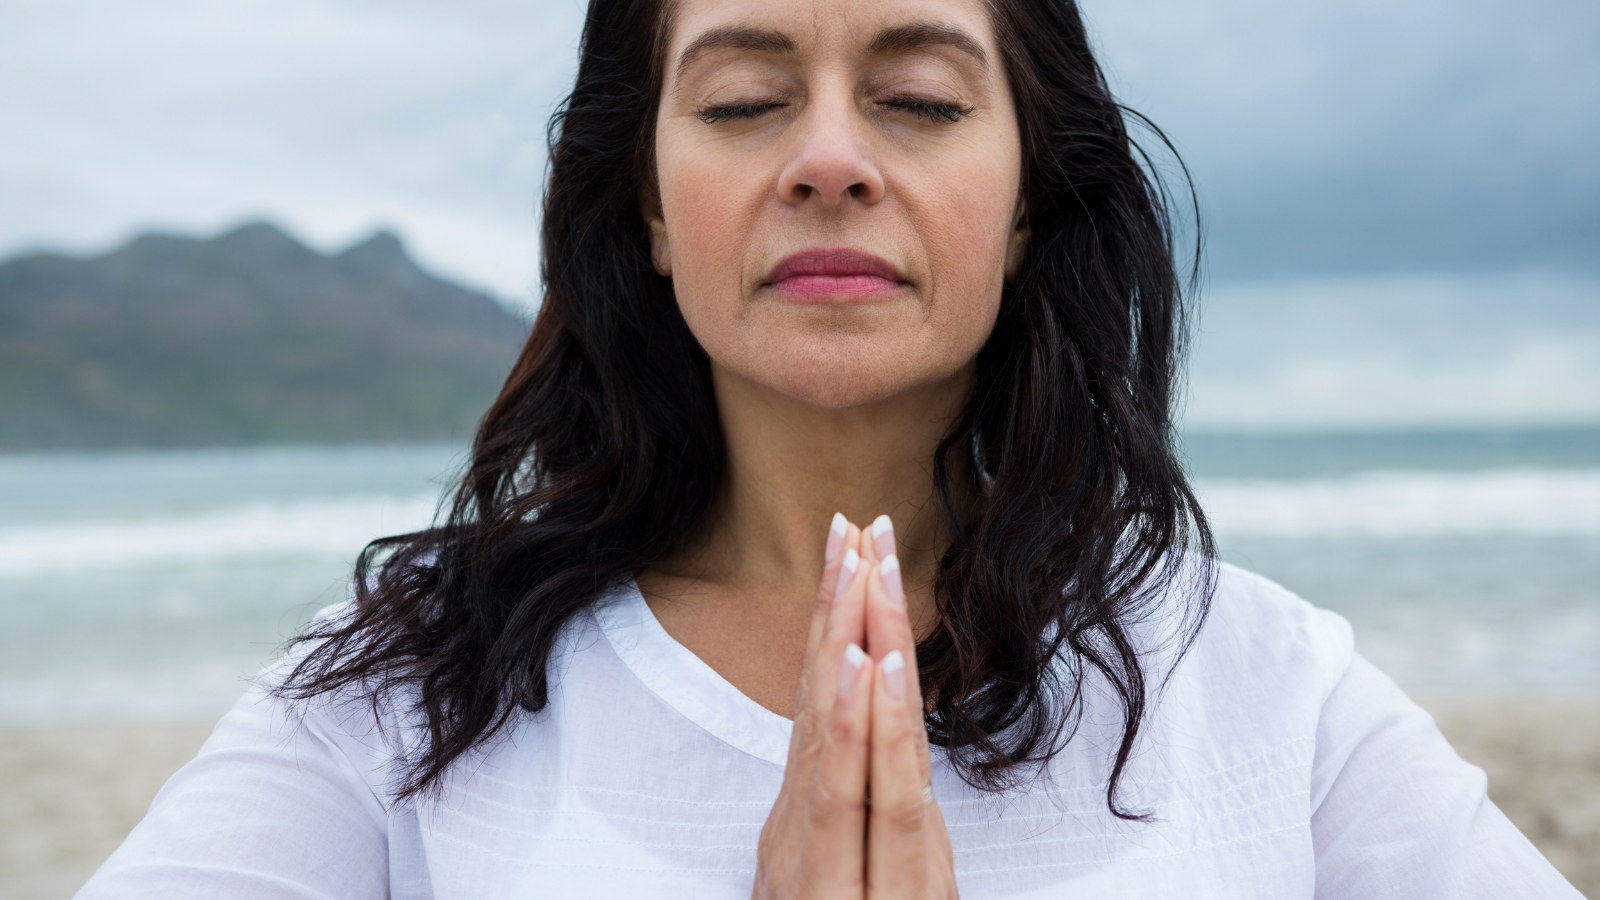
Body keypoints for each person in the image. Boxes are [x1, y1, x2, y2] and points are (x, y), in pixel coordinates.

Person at [79, 0, 1581, 896]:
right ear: (652, 209)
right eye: (742, 100)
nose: (829, 160)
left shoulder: (1265, 690)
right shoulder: (406, 703)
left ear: (1032, 200)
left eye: (920, 99)